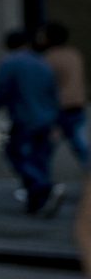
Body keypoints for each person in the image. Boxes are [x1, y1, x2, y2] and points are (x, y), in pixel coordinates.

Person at [0, 27, 61, 214]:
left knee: (16, 154)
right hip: (46, 117)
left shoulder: (10, 62)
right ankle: (37, 200)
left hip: (24, 117)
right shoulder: (41, 61)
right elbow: (53, 91)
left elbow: (1, 90)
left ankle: (43, 187)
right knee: (40, 158)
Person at [37, 20, 87, 171]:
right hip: (77, 105)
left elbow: (44, 86)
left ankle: (42, 185)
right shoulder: (74, 54)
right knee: (81, 146)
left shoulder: (47, 58)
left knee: (45, 149)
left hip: (58, 109)